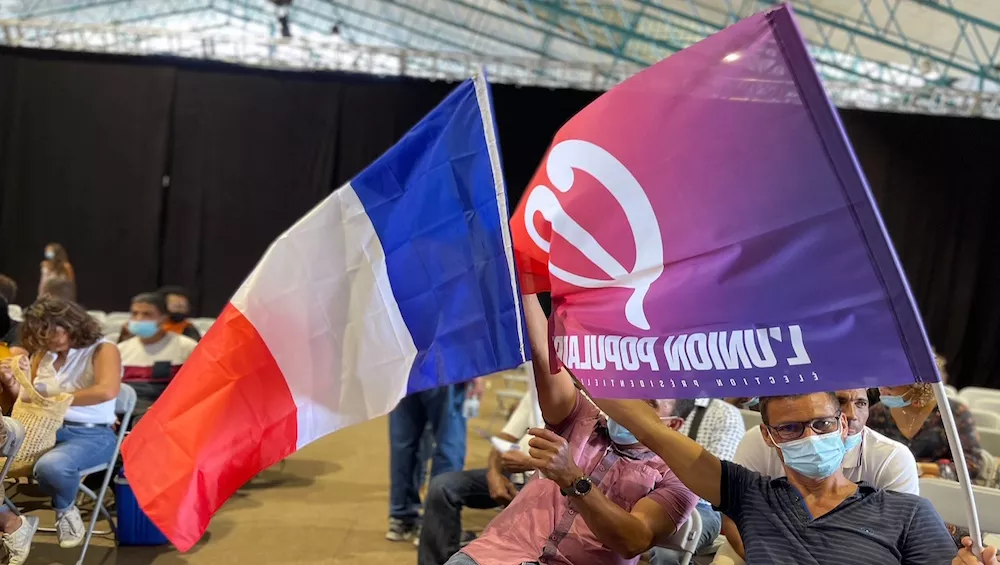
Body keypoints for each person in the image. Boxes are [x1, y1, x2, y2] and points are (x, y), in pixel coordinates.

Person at [448, 294, 698, 565]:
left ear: (673, 424)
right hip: (495, 554)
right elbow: (545, 355)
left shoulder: (678, 477)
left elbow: (633, 541)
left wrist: (572, 478)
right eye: (630, 390)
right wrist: (526, 287)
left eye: (648, 403)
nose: (632, 405)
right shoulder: (580, 419)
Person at [594, 390, 957, 564]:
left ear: (844, 425)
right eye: (790, 429)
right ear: (768, 436)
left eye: (822, 424)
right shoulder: (749, 494)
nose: (810, 437)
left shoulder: (909, 514)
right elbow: (652, 430)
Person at [713, 388, 919, 564]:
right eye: (841, 401)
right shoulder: (759, 442)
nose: (852, 414)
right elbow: (733, 517)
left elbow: (899, 535)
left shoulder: (892, 457)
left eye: (861, 403)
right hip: (759, 542)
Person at [0, 296, 122, 563]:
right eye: (40, 333)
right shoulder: (42, 354)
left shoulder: (102, 349)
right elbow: (27, 399)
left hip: (90, 434)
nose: (47, 338)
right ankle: (12, 524)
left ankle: (65, 509)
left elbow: (107, 390)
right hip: (40, 430)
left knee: (51, 466)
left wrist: (53, 400)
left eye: (52, 330)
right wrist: (12, 381)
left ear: (71, 323)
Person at [419, 384, 540, 565]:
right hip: (514, 476)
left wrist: (530, 464)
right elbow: (504, 438)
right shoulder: (536, 392)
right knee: (442, 487)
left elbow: (572, 467)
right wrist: (494, 473)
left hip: (546, 487)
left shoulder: (580, 403)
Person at [651, 397, 745, 565]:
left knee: (668, 553)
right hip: (644, 492)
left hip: (701, 506)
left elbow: (717, 478)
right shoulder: (653, 402)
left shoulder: (724, 414)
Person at [387, 378, 483, 542]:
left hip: (403, 372)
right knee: (449, 445)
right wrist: (475, 375)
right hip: (445, 371)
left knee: (404, 445)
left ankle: (401, 519)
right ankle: (436, 527)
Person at [867, 378, 984, 483]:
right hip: (888, 484)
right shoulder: (876, 413)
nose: (882, 390)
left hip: (939, 487)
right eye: (880, 384)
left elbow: (973, 464)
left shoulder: (954, 413)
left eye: (890, 387)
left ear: (917, 387)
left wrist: (920, 468)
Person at [118, 292, 198, 416]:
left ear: (164, 318)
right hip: (127, 411)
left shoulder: (187, 347)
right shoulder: (120, 349)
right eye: (134, 313)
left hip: (168, 412)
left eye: (147, 314)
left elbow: (195, 388)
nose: (139, 319)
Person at [118, 286, 201, 343]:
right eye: (175, 306)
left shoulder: (188, 330)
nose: (179, 311)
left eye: (183, 307)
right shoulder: (133, 328)